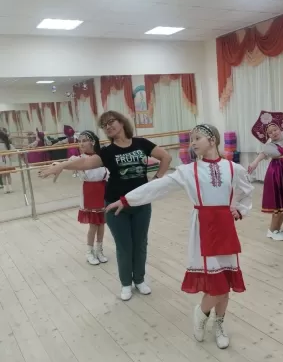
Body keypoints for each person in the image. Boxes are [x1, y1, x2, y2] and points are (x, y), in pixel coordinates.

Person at [105, 124, 253, 350]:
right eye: (191, 139)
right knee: (217, 286)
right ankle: (201, 314)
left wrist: (240, 210)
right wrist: (126, 200)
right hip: (203, 228)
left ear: (212, 140)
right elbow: (158, 187)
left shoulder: (233, 168)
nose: (192, 143)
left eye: (197, 138)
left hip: (225, 227)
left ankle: (219, 324)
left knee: (225, 283)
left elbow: (247, 190)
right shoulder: (188, 171)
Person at [38, 110, 172, 301]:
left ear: (122, 122)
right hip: (115, 205)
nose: (108, 126)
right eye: (104, 125)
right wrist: (61, 166)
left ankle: (139, 280)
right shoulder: (107, 152)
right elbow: (85, 163)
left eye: (111, 122)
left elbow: (166, 157)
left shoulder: (141, 143)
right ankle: (126, 283)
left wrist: (156, 181)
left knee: (140, 243)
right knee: (124, 246)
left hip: (141, 202)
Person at [248, 111, 283, 241]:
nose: (274, 133)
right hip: (276, 176)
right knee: (278, 205)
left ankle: (277, 229)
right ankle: (272, 230)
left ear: (280, 129)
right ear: (267, 135)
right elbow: (262, 155)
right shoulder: (269, 146)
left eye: (275, 129)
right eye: (270, 132)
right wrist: (254, 163)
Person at [65, 130, 109, 265]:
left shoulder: (102, 157)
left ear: (93, 142)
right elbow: (66, 165)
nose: (81, 144)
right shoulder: (79, 159)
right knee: (93, 225)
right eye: (79, 141)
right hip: (89, 192)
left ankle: (99, 250)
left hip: (103, 191)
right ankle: (89, 252)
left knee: (101, 223)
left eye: (84, 141)